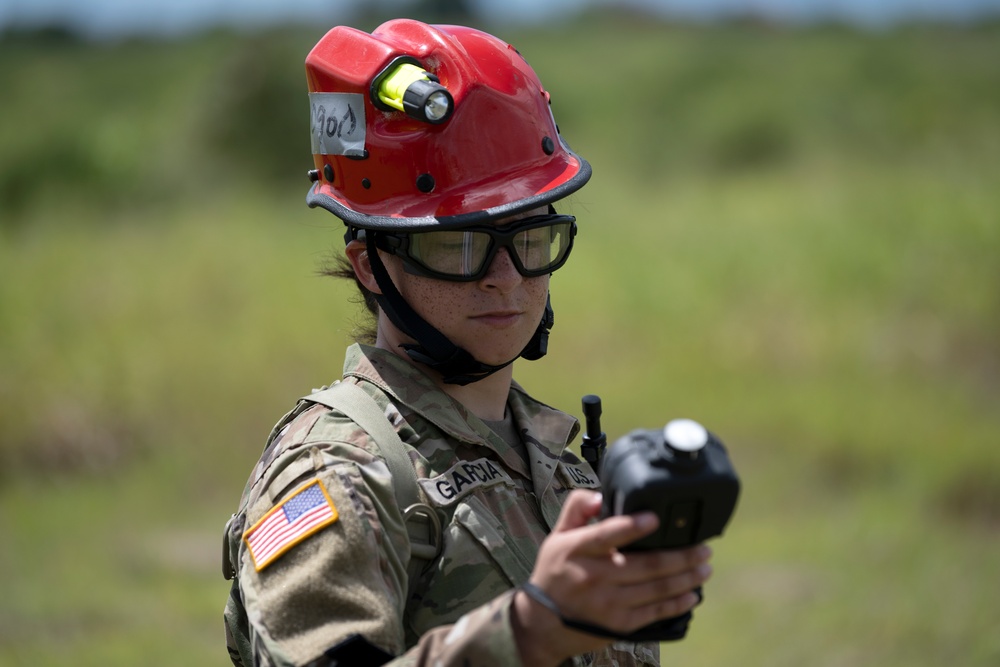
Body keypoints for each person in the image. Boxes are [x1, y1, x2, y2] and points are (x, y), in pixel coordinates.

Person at [222, 18, 713, 667]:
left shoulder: (549, 459)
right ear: (371, 264)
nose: (506, 278)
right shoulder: (338, 471)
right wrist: (533, 628)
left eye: (531, 238)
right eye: (459, 245)